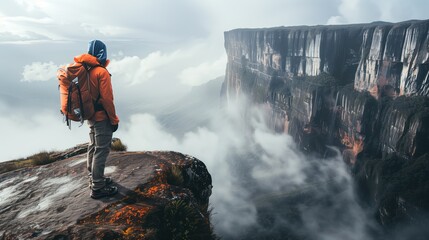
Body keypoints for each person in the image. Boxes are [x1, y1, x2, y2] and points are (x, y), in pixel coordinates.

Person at [75, 39, 120, 199]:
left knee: (93, 147)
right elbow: (107, 100)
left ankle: (94, 178)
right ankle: (98, 187)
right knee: (101, 150)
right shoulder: (101, 72)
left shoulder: (84, 70)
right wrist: (114, 120)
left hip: (89, 116)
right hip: (102, 118)